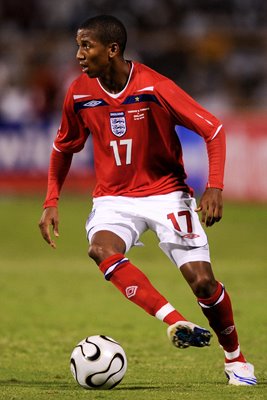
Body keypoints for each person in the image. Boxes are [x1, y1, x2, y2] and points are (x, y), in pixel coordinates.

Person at [39, 15, 256, 386]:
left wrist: (215, 186)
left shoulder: (155, 87)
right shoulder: (78, 92)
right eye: (78, 45)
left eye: (85, 46)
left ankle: (236, 359)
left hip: (167, 193)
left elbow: (213, 129)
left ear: (112, 50)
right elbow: (63, 148)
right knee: (101, 248)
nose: (78, 54)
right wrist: (51, 199)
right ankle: (175, 321)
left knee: (203, 282)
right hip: (114, 198)